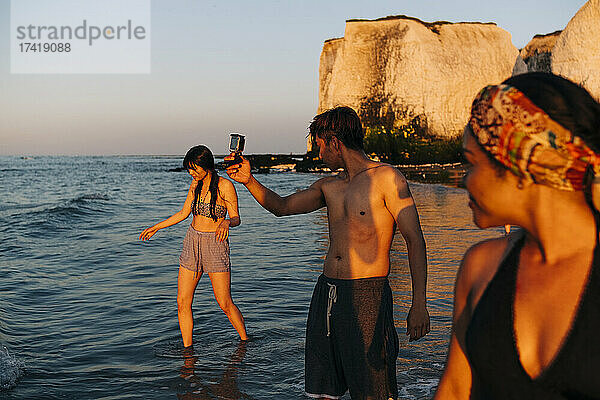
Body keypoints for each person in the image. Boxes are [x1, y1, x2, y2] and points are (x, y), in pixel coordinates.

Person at [225, 106, 430, 399]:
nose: (317, 154)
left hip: (367, 294)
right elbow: (281, 207)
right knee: (323, 390)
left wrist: (419, 303)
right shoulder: (329, 186)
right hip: (326, 293)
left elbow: (415, 241)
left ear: (335, 141)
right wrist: (248, 181)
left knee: (373, 390)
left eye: (319, 145)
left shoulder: (387, 178)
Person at [434, 72, 600, 399]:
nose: (464, 181)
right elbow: (454, 389)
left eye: (470, 163)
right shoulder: (481, 266)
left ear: (522, 166)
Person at [140, 145, 248, 347]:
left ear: (206, 166)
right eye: (189, 169)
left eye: (194, 168)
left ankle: (245, 341)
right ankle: (187, 351)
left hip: (215, 245)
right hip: (192, 242)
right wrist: (157, 227)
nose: (191, 173)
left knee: (224, 303)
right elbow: (183, 214)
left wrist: (226, 222)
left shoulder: (225, 186)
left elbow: (236, 218)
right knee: (182, 301)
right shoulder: (194, 185)